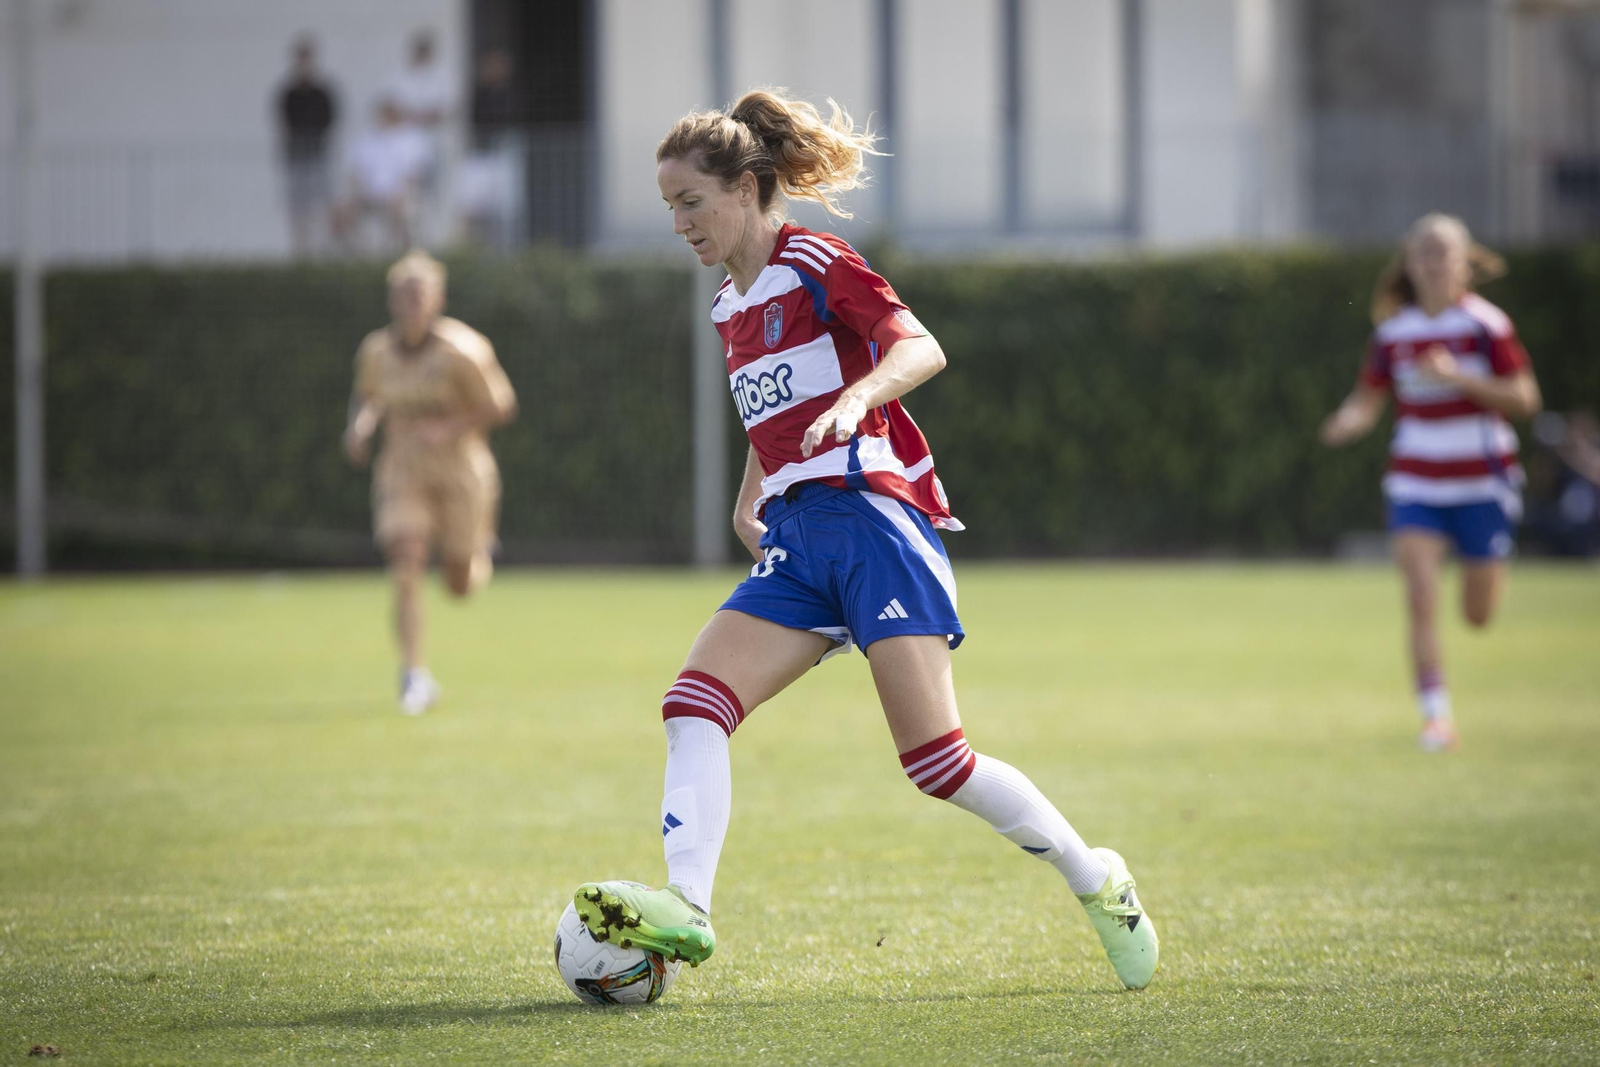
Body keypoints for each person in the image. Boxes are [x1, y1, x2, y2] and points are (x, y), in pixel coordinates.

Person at [570, 89, 1159, 992]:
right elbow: (775, 408)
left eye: (691, 202)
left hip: (874, 521)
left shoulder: (816, 259)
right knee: (693, 703)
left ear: (746, 188)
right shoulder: (728, 305)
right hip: (799, 540)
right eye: (669, 207)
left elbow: (919, 347)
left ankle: (1097, 877)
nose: (679, 223)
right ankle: (688, 905)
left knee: (938, 764)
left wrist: (860, 397)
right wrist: (750, 496)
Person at [1320, 213, 1542, 751]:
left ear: (1464, 263)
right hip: (1416, 482)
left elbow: (1525, 398)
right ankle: (1436, 718)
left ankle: (1486, 571)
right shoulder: (1393, 334)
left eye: (1444, 252)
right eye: (1424, 253)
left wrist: (1457, 377)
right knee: (1420, 596)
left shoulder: (1486, 325)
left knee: (1477, 615)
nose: (1434, 263)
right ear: (1410, 264)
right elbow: (1368, 400)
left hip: (1482, 484)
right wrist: (1347, 421)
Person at [343, 250, 517, 715]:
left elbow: (501, 406)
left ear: (437, 299)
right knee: (405, 560)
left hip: (460, 471)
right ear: (391, 301)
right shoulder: (376, 351)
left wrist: (448, 428)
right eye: (403, 295)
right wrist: (359, 426)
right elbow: (367, 395)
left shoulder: (464, 350)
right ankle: (413, 674)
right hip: (402, 468)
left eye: (419, 295)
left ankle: (477, 552)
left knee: (459, 583)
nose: (411, 304)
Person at [332, 98, 431, 253]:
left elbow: (415, 173)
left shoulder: (412, 138)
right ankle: (355, 255)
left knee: (402, 209)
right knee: (340, 211)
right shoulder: (367, 138)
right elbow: (354, 172)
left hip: (399, 194)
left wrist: (399, 193)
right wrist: (354, 194)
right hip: (367, 193)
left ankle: (400, 253)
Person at [275, 35, 338, 257]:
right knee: (298, 207)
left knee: (319, 206)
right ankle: (300, 249)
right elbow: (284, 121)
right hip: (297, 156)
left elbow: (329, 119)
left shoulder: (321, 92)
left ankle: (320, 248)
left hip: (317, 155)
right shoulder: (290, 92)